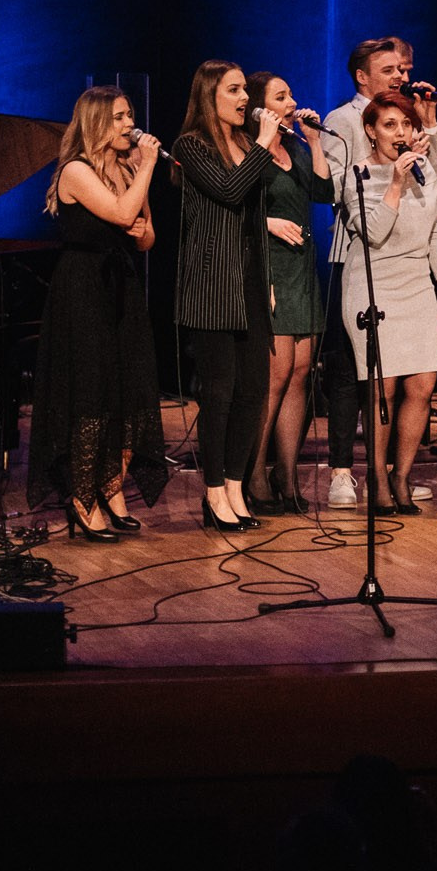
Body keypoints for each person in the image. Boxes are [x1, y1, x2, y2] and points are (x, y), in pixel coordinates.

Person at [30, 86, 168, 542]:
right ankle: (81, 499)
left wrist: (140, 202)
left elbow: (145, 237)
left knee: (127, 391)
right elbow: (119, 212)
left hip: (121, 288)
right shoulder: (75, 170)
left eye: (130, 115)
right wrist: (146, 169)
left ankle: (112, 489)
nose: (131, 124)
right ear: (96, 123)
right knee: (91, 393)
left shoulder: (127, 167)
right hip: (83, 290)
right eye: (120, 117)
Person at [318, 37, 437, 508]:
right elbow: (337, 191)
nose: (400, 76)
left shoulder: (415, 136)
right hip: (364, 265)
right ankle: (349, 472)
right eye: (388, 69)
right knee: (366, 383)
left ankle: (400, 475)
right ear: (362, 76)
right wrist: (386, 179)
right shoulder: (342, 121)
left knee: (421, 384)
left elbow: (434, 207)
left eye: (402, 68)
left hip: (414, 276)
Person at [173, 60, 281, 534]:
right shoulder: (191, 146)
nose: (245, 99)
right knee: (218, 394)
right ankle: (213, 491)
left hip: (253, 287)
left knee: (253, 392)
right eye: (234, 90)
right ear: (209, 96)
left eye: (245, 90)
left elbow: (254, 221)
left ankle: (236, 485)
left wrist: (269, 280)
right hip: (212, 287)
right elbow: (229, 192)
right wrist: (263, 145)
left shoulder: (243, 143)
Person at [242, 71, 336, 517]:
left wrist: (314, 141)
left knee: (300, 371)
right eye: (281, 97)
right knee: (274, 376)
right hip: (269, 267)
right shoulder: (249, 151)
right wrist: (267, 223)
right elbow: (230, 208)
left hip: (300, 267)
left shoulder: (295, 148)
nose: (292, 102)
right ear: (260, 107)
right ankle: (253, 472)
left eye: (291, 94)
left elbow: (323, 191)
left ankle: (288, 472)